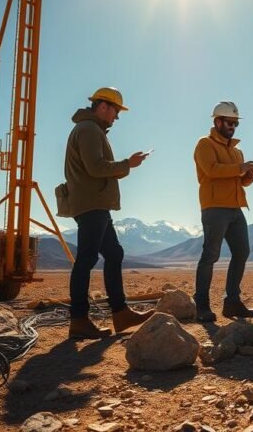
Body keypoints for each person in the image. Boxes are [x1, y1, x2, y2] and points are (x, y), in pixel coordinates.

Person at [63, 87, 152, 339]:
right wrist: (128, 164)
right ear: (103, 107)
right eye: (116, 111)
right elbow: (95, 167)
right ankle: (79, 320)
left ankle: (121, 313)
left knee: (113, 253)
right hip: (91, 204)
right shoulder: (89, 130)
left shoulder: (90, 129)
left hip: (95, 203)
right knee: (87, 259)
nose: (117, 117)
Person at [193, 101, 253, 322]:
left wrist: (249, 176)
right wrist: (240, 168)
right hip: (214, 208)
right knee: (211, 255)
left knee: (242, 251)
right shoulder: (204, 144)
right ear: (217, 121)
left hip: (235, 208)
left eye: (235, 123)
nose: (233, 126)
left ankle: (232, 302)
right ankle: (202, 305)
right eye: (230, 122)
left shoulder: (237, 151)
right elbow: (211, 171)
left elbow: (240, 181)